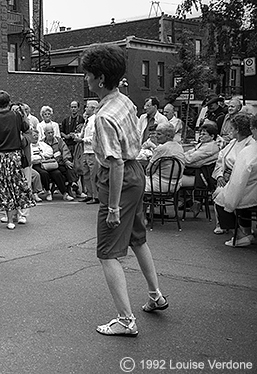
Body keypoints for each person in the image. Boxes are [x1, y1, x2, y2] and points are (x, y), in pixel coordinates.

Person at [81, 44, 168, 337]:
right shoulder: (126, 101)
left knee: (107, 252)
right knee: (137, 238)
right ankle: (155, 295)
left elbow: (114, 163)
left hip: (118, 179)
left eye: (89, 74)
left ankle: (125, 319)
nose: (86, 80)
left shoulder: (102, 117)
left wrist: (114, 207)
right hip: (136, 173)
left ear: (101, 78)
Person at [0, 91, 34, 230]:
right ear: (9, 101)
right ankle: (11, 220)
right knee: (12, 186)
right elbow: (25, 128)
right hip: (13, 155)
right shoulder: (16, 116)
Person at [213, 113, 257, 247]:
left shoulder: (250, 147)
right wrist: (220, 175)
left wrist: (230, 200)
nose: (229, 131)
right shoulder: (232, 143)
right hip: (233, 180)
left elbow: (239, 179)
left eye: (231, 128)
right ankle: (245, 231)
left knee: (220, 199)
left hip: (247, 186)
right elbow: (221, 160)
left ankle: (240, 234)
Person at [144, 123, 185, 193]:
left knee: (133, 182)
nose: (156, 136)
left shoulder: (161, 148)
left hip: (160, 185)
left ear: (168, 136)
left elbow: (149, 171)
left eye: (159, 134)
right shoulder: (179, 147)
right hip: (176, 185)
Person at [42, 126, 78, 201]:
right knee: (58, 172)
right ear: (45, 134)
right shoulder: (42, 143)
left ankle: (73, 184)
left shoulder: (59, 141)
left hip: (61, 162)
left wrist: (66, 160)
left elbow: (65, 150)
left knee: (69, 166)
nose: (51, 134)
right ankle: (70, 186)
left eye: (52, 132)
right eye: (49, 133)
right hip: (50, 165)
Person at [181, 121, 220, 188]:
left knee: (173, 178)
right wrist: (181, 157)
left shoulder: (210, 147)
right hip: (196, 172)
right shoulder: (203, 144)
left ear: (212, 136)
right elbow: (189, 153)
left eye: (204, 134)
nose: (200, 136)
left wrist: (180, 158)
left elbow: (189, 160)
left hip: (203, 176)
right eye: (200, 134)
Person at [79, 100, 99, 204]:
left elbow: (94, 137)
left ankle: (95, 196)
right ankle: (89, 194)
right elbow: (84, 134)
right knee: (86, 173)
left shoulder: (95, 120)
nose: (85, 109)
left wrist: (82, 140)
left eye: (87, 107)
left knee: (93, 174)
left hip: (92, 151)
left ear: (94, 109)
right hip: (86, 150)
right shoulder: (87, 120)